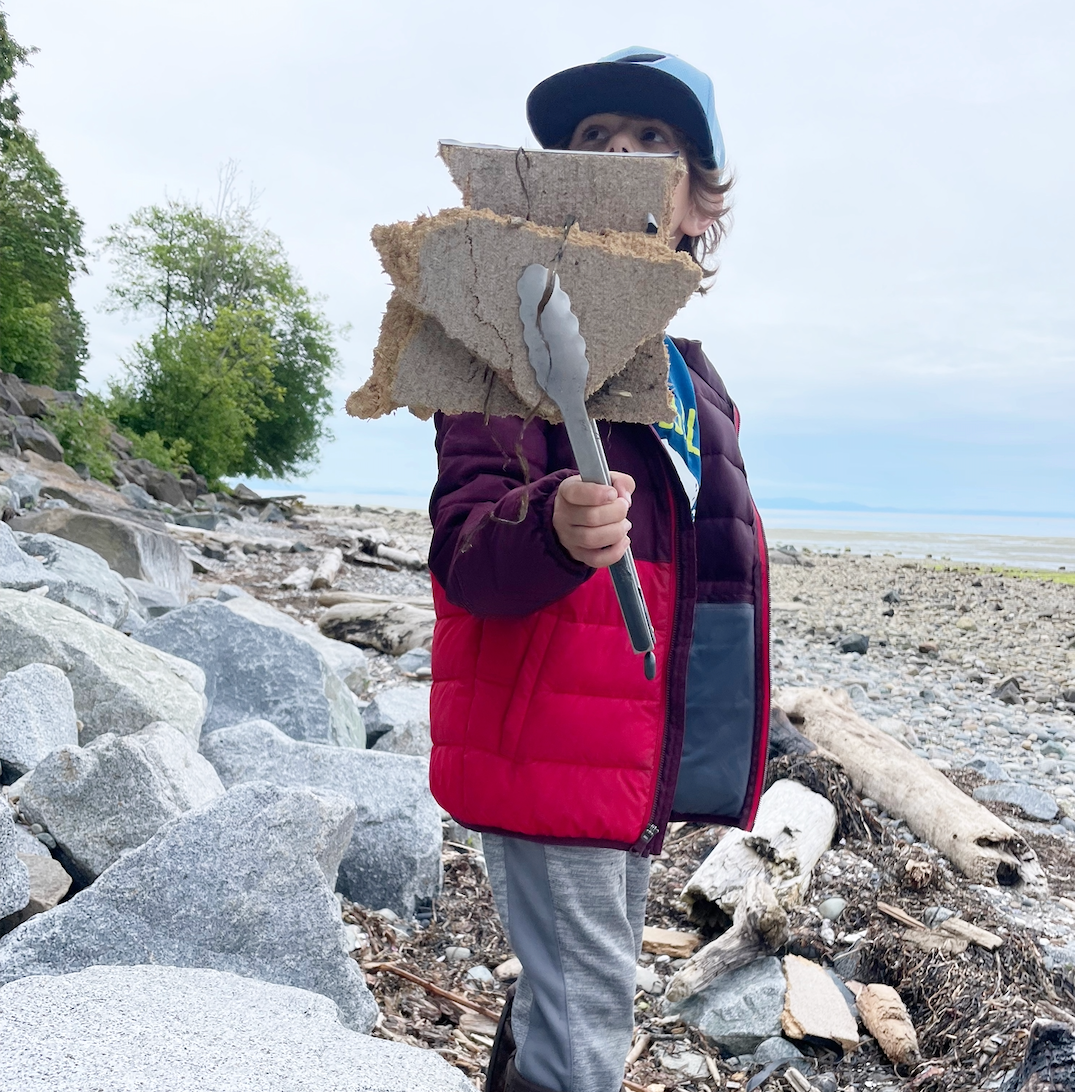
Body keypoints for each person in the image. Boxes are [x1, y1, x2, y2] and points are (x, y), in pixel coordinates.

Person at [427, 47, 770, 1092]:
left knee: (558, 997)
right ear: (554, 188)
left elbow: (708, 584)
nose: (620, 160)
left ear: (698, 204)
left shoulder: (688, 379)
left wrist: (715, 748)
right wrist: (551, 527)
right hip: (550, 745)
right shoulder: (503, 345)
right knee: (586, 1027)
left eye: (652, 144)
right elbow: (462, 551)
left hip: (627, 760)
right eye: (593, 144)